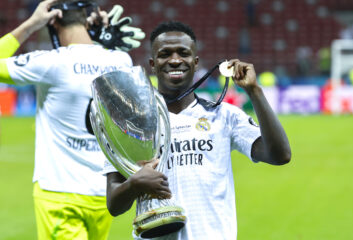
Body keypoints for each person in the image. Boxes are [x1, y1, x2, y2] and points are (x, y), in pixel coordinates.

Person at [104, 21, 291, 239]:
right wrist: (135, 184)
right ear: (153, 65)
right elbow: (114, 205)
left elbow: (280, 155)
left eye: (183, 53)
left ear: (195, 62)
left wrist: (254, 91)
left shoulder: (224, 115)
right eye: (165, 54)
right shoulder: (130, 123)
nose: (175, 60)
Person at [0, 0, 143, 239]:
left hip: (60, 191)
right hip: (104, 191)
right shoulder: (121, 61)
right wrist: (101, 41)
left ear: (53, 21)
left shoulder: (51, 62)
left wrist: (31, 25)